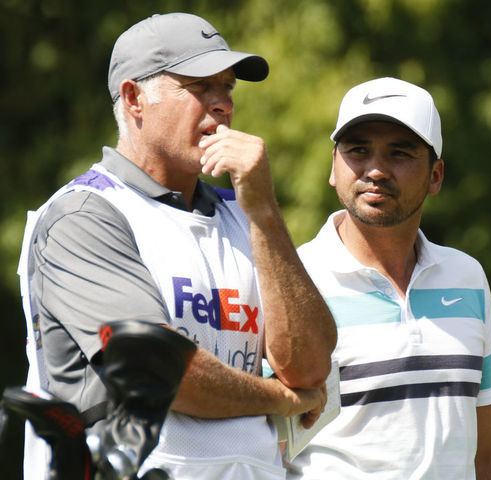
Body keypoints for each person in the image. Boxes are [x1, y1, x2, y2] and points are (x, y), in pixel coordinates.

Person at [17, 12, 337, 480]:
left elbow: (311, 370)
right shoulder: (83, 215)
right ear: (134, 99)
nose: (222, 103)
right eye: (199, 87)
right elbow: (161, 373)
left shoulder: (247, 214)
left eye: (228, 87)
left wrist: (266, 213)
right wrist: (280, 399)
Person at [286, 77, 491, 479]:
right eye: (358, 150)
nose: (375, 170)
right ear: (333, 167)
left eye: (400, 153)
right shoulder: (290, 281)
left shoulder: (466, 278)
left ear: (436, 175)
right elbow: (262, 448)